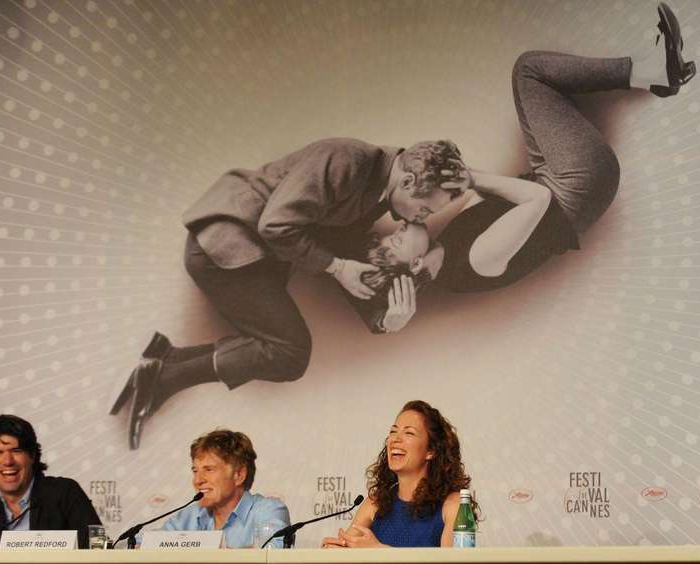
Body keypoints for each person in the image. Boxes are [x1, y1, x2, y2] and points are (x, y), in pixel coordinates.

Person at [111, 138, 471, 449]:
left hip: (255, 255)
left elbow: (343, 257)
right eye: (425, 208)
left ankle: (166, 357)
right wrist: (337, 267)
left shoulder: (377, 189)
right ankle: (164, 375)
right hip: (224, 245)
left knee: (283, 347)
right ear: (408, 180)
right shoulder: (348, 160)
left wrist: (385, 321)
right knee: (291, 352)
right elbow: (276, 225)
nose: (420, 218)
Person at [436, 2, 696, 293]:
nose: (401, 227)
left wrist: (459, 174)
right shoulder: (473, 262)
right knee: (529, 72)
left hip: (552, 179)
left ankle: (654, 74)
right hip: (577, 188)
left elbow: (497, 193)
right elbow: (538, 198)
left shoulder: (442, 246)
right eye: (393, 243)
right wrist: (471, 178)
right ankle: (655, 70)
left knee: (527, 79)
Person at [321, 400, 479, 548]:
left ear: (431, 450)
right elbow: (347, 552)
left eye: (409, 433)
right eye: (393, 431)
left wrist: (380, 554)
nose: (395, 439)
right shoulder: (374, 503)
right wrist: (335, 552)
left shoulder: (454, 505)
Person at [0, 414, 101, 549]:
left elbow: (97, 547)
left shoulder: (65, 491)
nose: (7, 461)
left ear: (31, 455)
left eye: (16, 451)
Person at [160, 429, 289, 548]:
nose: (198, 480)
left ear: (239, 475)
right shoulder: (189, 516)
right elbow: (145, 546)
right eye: (195, 471)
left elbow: (274, 555)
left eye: (209, 470)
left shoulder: (267, 511)